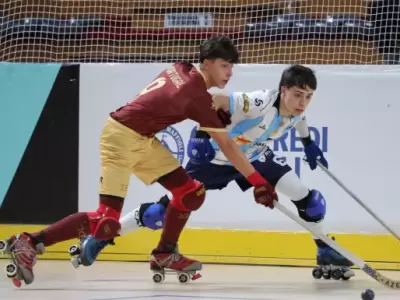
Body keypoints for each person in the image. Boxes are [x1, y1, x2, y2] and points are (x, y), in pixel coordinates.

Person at [0, 36, 279, 287]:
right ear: (207, 63)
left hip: (142, 139)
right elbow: (228, 145)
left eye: (232, 67)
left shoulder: (181, 68)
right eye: (224, 66)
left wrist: (211, 111)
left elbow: (179, 99)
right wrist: (258, 181)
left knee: (190, 193)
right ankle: (30, 241)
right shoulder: (197, 96)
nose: (229, 73)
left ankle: (165, 253)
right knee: (105, 222)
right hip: (120, 138)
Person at [78, 64, 355, 280]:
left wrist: (308, 143)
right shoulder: (258, 102)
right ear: (283, 90)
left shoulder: (296, 109)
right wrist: (199, 136)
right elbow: (211, 98)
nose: (303, 102)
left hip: (255, 158)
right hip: (216, 159)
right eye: (297, 95)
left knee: (310, 200)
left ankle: (325, 249)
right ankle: (102, 237)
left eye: (308, 97)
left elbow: (300, 118)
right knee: (161, 212)